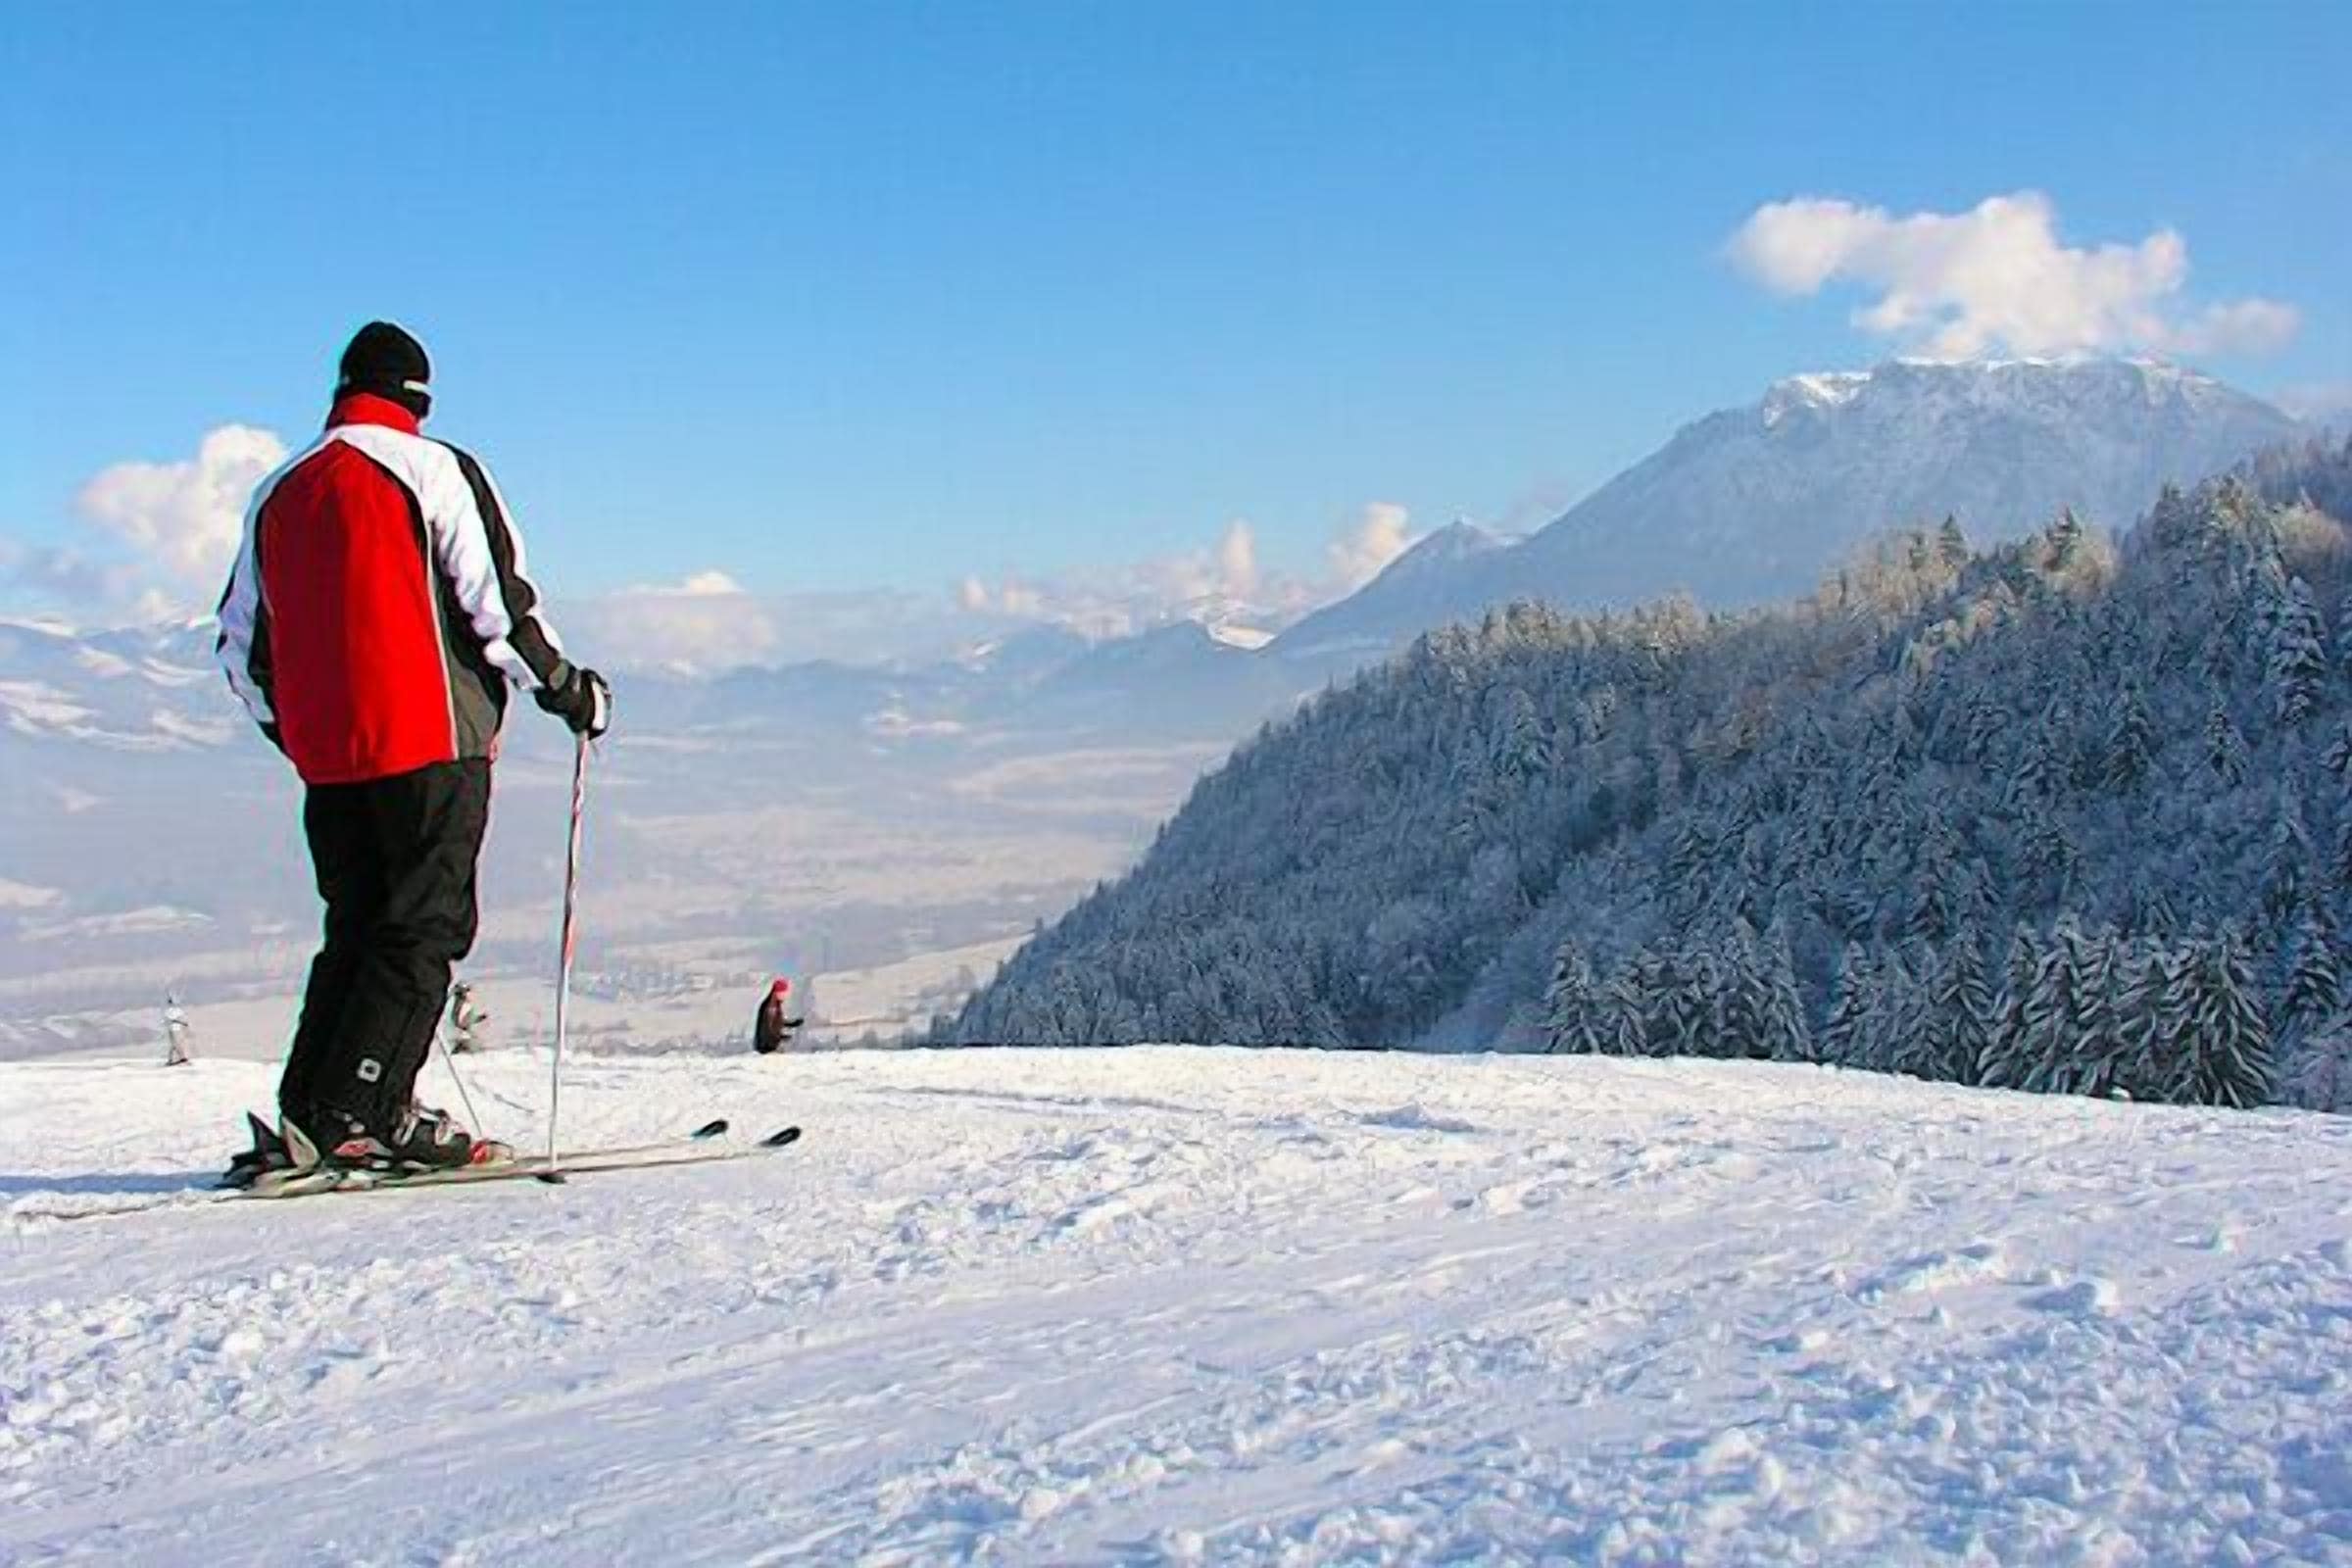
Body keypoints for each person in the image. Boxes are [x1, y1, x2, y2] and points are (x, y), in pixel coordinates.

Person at [214, 321, 610, 1185]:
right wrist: (567, 688)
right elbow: (495, 602)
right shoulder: (435, 470)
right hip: (432, 740)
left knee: (354, 927)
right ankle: (368, 1113)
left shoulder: (278, 488)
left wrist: (299, 733)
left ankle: (311, 1111)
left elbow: (239, 644)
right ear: (419, 399)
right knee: (422, 929)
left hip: (330, 760)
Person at [754, 978, 804, 1054]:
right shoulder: (770, 1007)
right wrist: (779, 1037)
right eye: (784, 992)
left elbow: (777, 1022)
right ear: (777, 992)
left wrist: (792, 1024)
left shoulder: (774, 1005)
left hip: (770, 1046)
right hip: (766, 1048)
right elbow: (767, 1028)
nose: (785, 995)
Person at [449, 981, 488, 1054]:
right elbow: (461, 1021)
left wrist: (479, 1018)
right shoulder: (463, 1005)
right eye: (467, 991)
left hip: (463, 1034)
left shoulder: (462, 1005)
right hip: (463, 1036)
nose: (470, 994)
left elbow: (466, 1019)